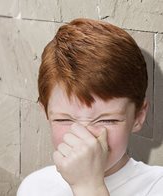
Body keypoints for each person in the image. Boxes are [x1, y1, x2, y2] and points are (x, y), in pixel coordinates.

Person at [17, 18, 163, 196]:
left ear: (138, 116)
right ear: (46, 113)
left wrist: (89, 187)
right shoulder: (34, 186)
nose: (86, 138)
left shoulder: (157, 186)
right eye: (64, 119)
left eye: (108, 120)